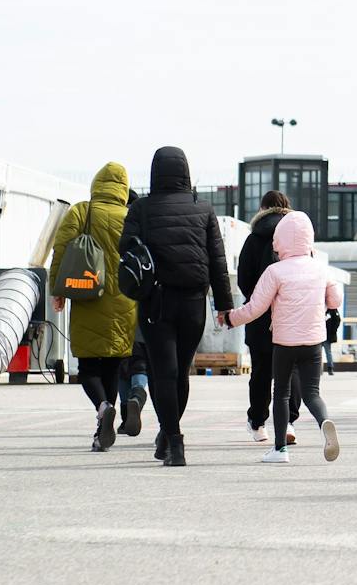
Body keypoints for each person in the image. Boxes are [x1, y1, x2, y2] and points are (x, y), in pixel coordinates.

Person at [121, 146, 232, 468]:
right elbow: (217, 260)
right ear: (185, 171)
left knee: (163, 373)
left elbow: (125, 248)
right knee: (180, 372)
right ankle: (168, 437)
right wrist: (224, 305)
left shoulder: (142, 208)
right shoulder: (203, 208)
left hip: (156, 301)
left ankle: (173, 440)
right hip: (194, 302)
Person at [223, 211, 342, 464]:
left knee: (281, 394)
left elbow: (255, 308)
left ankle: (279, 450)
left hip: (284, 343)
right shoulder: (321, 269)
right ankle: (324, 423)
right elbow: (335, 300)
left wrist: (232, 318)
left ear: (280, 241)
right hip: (313, 342)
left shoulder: (275, 271)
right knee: (312, 393)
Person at [50, 162, 137, 452]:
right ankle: (104, 423)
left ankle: (102, 409)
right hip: (126, 300)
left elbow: (60, 249)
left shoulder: (82, 211)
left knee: (88, 366)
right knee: (113, 366)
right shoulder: (131, 215)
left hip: (88, 294)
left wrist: (57, 290)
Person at [236, 190, 301, 443]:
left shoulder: (253, 239)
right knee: (291, 369)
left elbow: (243, 279)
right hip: (291, 314)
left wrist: (259, 299)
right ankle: (289, 423)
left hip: (259, 315)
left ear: (262, 210)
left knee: (261, 371)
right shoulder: (297, 240)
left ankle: (258, 423)